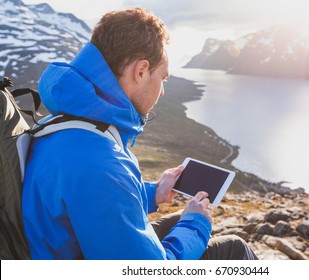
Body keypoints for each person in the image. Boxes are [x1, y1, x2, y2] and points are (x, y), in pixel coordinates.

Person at [22, 7, 258, 260]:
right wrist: (196, 225)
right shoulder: (101, 163)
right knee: (233, 247)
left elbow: (92, 205)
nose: (163, 91)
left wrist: (153, 193)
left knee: (182, 217)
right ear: (141, 71)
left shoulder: (61, 124)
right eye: (163, 78)